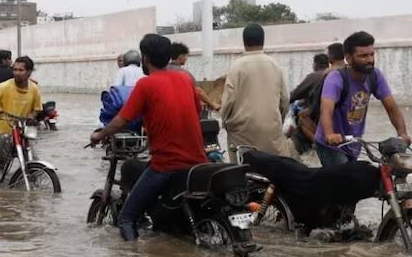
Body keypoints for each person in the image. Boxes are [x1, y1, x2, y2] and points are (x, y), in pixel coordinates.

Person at [90, 33, 208, 241]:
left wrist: (101, 134)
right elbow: (195, 112)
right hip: (198, 161)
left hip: (167, 165)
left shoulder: (146, 84)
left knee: (127, 218)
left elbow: (122, 120)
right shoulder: (185, 79)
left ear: (145, 58)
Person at [316, 31, 411, 167]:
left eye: (372, 54)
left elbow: (392, 107)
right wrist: (330, 134)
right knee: (344, 181)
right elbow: (326, 110)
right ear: (348, 58)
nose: (370, 60)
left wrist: (402, 133)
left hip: (354, 142)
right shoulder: (336, 78)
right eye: (363, 56)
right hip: (331, 145)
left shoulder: (375, 76)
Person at [221, 23, 294, 162]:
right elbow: (285, 98)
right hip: (271, 130)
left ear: (244, 42)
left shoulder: (237, 66)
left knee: (242, 170)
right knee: (275, 169)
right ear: (263, 41)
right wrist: (277, 119)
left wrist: (225, 121)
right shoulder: (275, 65)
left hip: (242, 131)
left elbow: (229, 100)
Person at [0, 56, 42, 136]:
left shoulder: (34, 88)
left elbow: (37, 109)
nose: (17, 73)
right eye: (15, 70)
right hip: (3, 135)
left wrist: (31, 116)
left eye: (21, 70)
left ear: (29, 72)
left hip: (23, 132)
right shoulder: (4, 86)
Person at [167, 42, 220, 112]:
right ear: (180, 56)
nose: (186, 58)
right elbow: (198, 91)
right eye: (185, 56)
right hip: (182, 110)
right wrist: (212, 104)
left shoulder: (163, 71)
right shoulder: (184, 74)